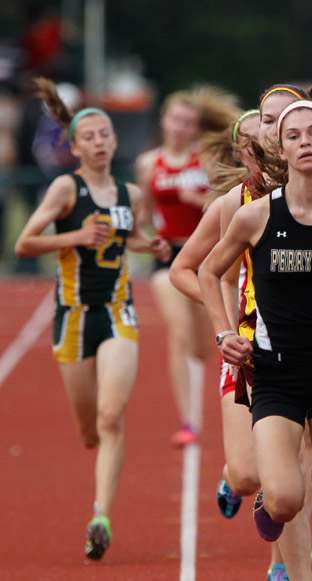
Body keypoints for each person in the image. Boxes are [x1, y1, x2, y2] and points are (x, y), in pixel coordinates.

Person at [199, 98, 312, 581]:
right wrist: (223, 333)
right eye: (294, 135)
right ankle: (270, 501)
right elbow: (207, 271)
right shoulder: (254, 216)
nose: (305, 143)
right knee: (283, 498)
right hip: (274, 372)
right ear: (280, 146)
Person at [14, 78, 170, 561]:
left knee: (111, 418)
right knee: (88, 431)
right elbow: (24, 244)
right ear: (76, 146)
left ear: (115, 140)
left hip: (118, 312)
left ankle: (101, 514)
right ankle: (97, 462)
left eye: (106, 134)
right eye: (91, 136)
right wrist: (75, 237)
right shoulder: (66, 188)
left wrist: (154, 246)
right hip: (73, 317)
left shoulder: (129, 194)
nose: (100, 141)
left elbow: (133, 239)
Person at [135, 86, 239, 446]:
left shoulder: (206, 161)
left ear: (196, 128)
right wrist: (144, 236)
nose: (180, 127)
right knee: (178, 334)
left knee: (200, 345)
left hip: (205, 257)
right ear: (164, 121)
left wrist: (197, 198)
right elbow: (144, 213)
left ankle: (207, 352)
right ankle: (188, 421)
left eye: (188, 122)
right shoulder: (150, 164)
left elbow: (225, 201)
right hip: (167, 259)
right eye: (175, 120)